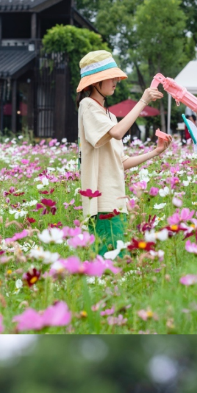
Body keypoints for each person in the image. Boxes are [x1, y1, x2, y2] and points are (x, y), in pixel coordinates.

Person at [77, 50, 171, 256]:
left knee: (116, 261)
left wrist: (156, 152)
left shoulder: (108, 115)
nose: (116, 81)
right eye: (110, 77)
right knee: (109, 262)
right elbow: (118, 133)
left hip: (116, 199)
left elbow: (121, 162)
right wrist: (143, 101)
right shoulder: (87, 106)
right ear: (95, 82)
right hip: (102, 201)